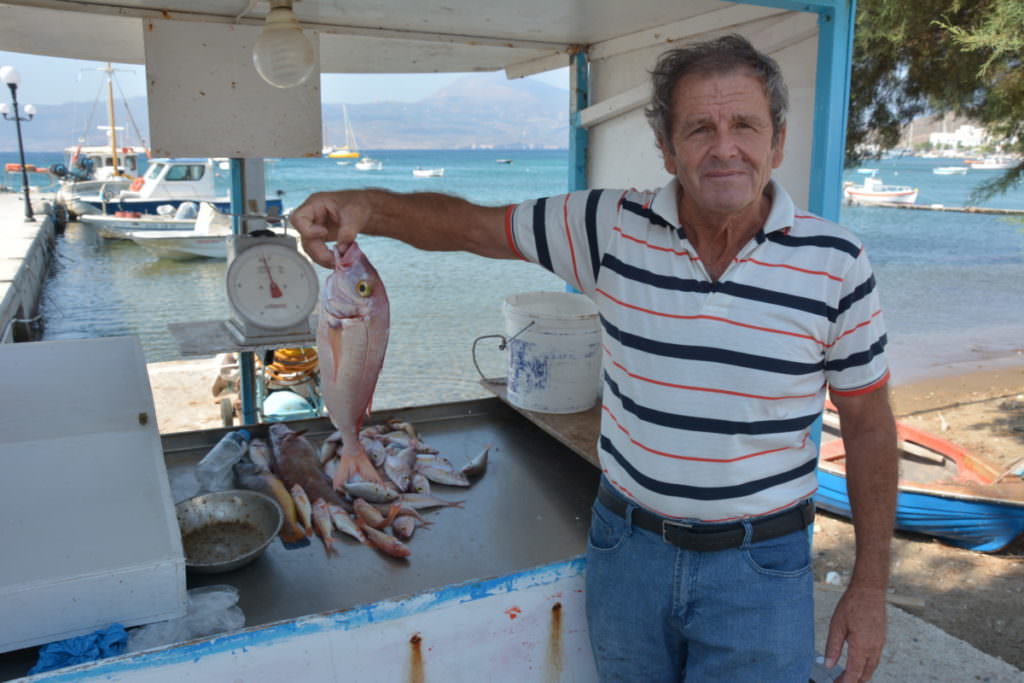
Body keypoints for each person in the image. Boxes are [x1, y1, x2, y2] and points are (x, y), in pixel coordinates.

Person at [291, 34, 898, 683]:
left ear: (776, 141)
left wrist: (869, 586)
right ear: (666, 147)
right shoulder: (609, 227)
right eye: (699, 128)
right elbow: (470, 225)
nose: (724, 148)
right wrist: (365, 208)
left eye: (744, 125)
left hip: (760, 571)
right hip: (627, 553)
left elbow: (867, 427)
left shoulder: (835, 263)